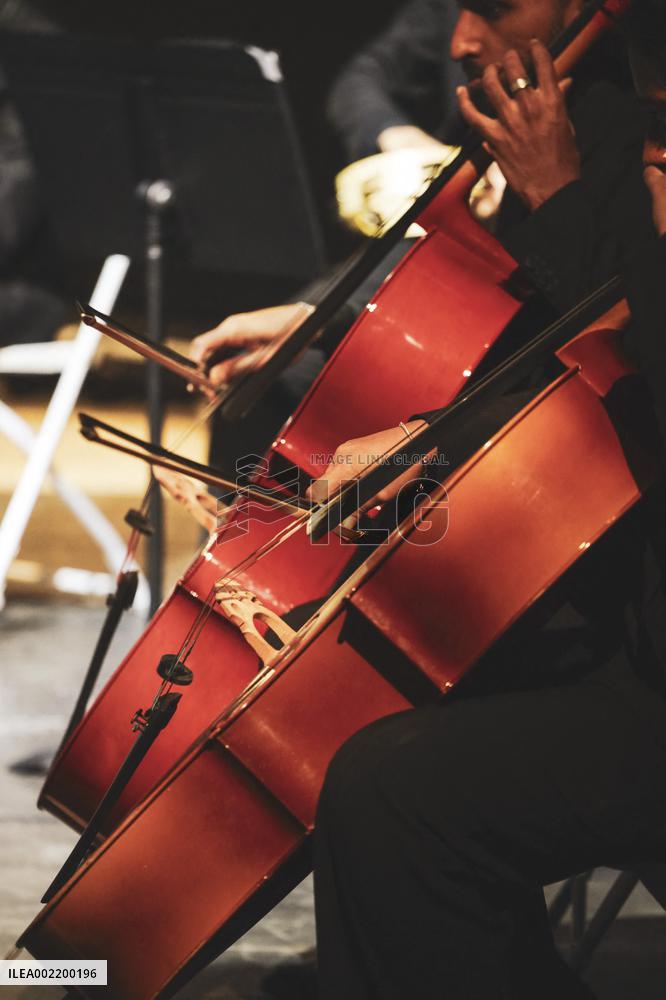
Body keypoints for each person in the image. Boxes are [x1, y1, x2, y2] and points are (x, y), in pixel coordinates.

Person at [308, 6, 666, 998]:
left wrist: (563, 197)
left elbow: (619, 363)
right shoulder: (581, 124)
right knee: (391, 715)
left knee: (394, 788)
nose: (463, 38)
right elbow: (550, 333)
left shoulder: (609, 144)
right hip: (633, 603)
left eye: (496, 4)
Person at [187, 0, 654, 484]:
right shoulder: (533, 111)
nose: (460, 44)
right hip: (489, 378)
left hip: (571, 436)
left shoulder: (626, 128)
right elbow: (452, 258)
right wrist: (318, 316)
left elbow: (618, 352)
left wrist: (434, 436)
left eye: (493, 10)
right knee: (267, 386)